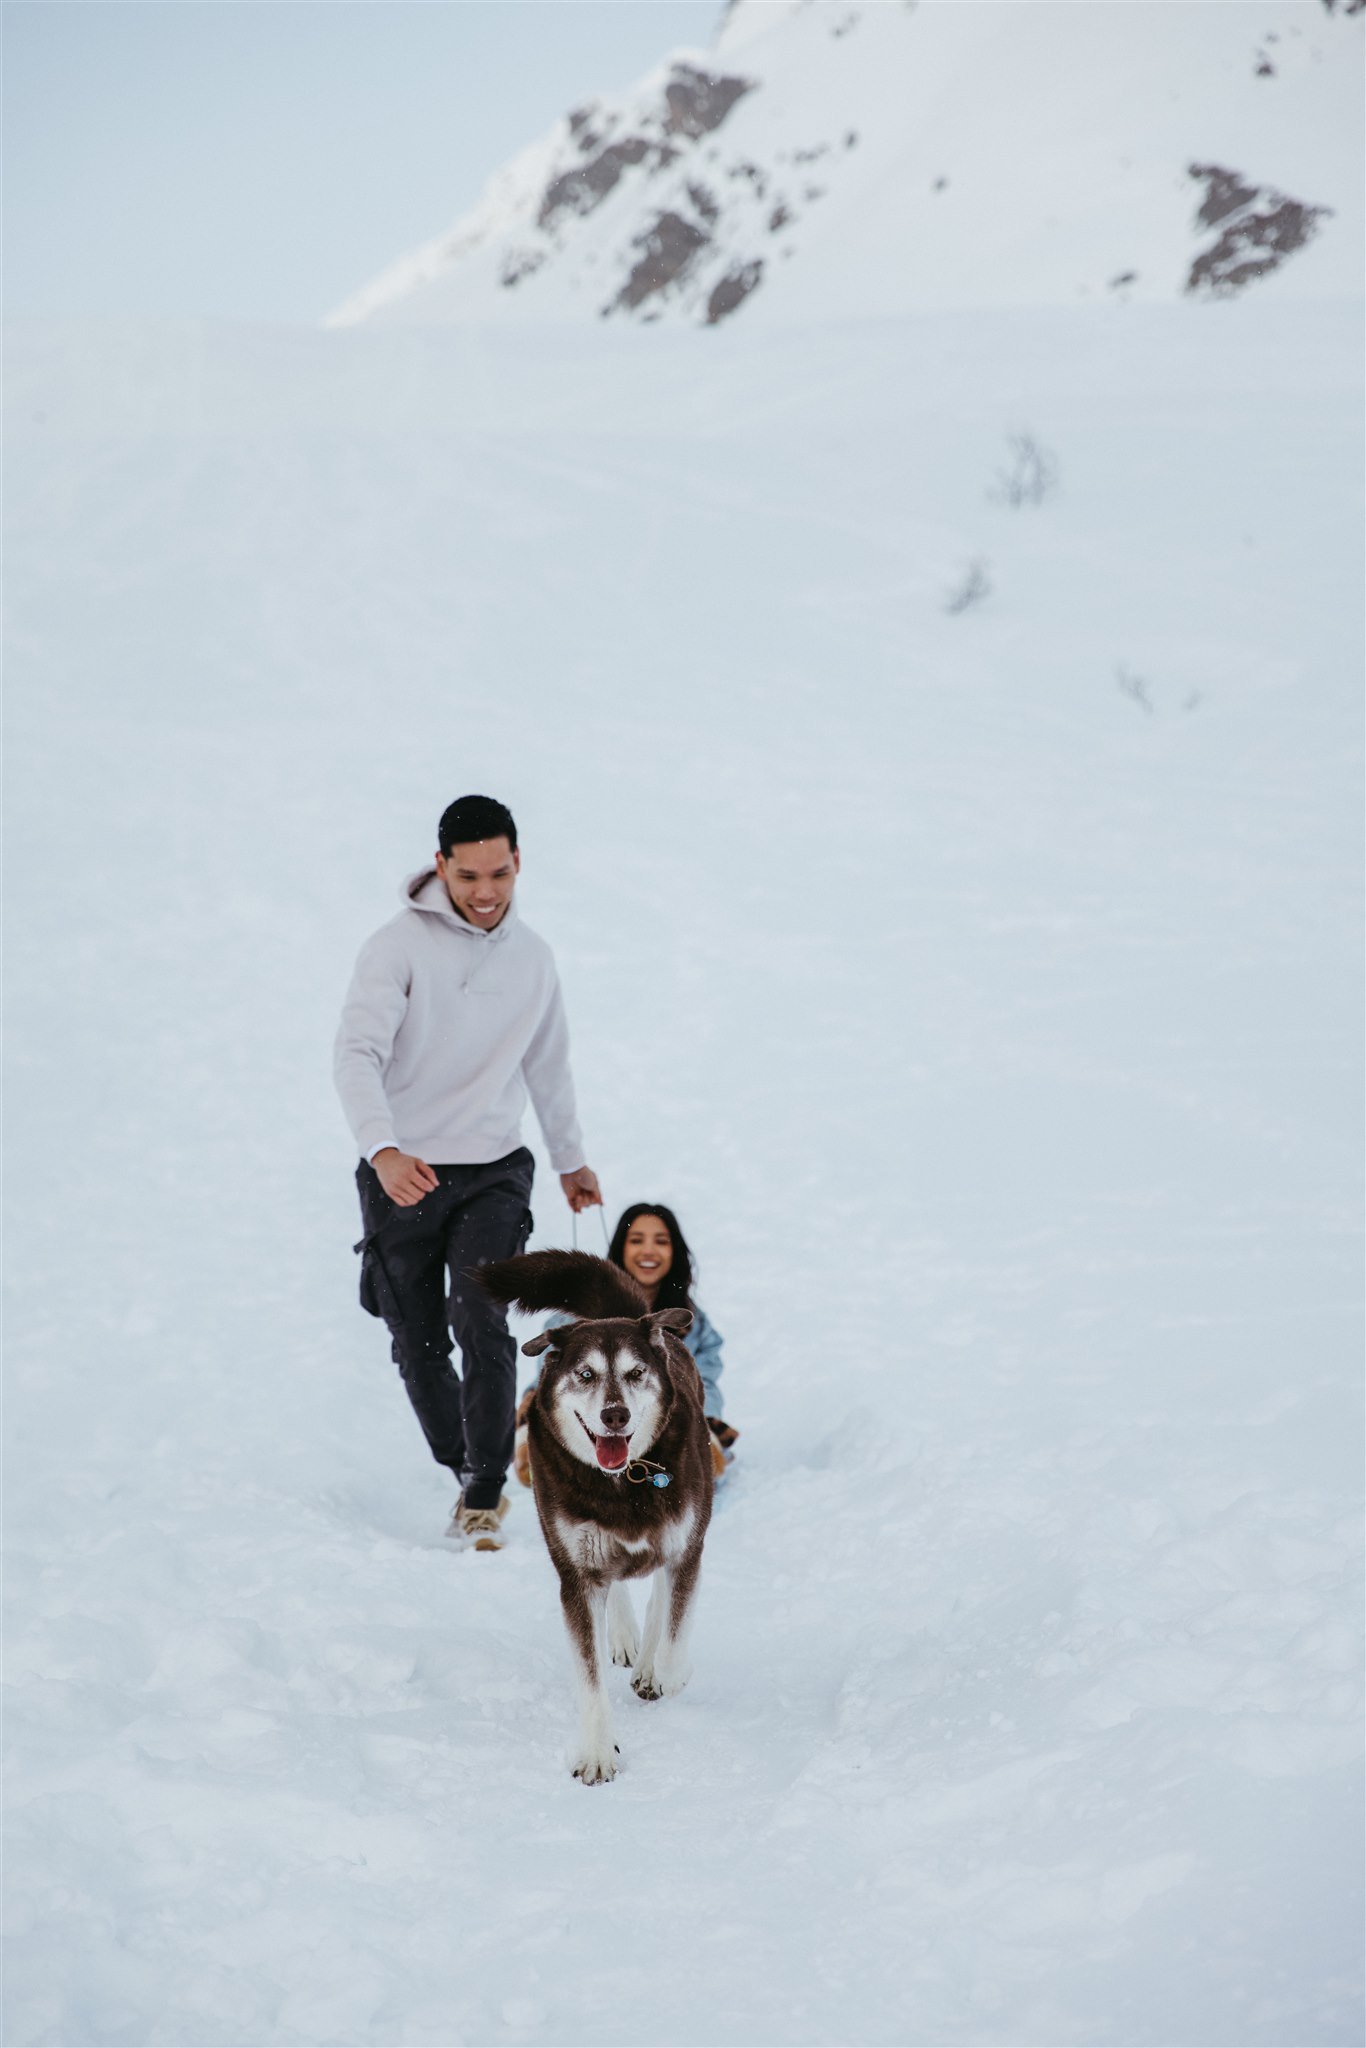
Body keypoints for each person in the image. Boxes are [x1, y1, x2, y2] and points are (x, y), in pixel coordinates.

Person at [334, 793, 601, 1550]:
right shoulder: (395, 948)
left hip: (493, 1170)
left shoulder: (533, 957)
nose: (486, 892)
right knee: (416, 1340)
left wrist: (570, 1159)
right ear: (440, 865)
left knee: (479, 1314)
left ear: (518, 863)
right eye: (470, 875)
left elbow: (548, 1064)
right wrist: (383, 1149)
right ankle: (463, 1463)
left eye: (501, 873)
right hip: (403, 1171)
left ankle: (485, 1488)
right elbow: (357, 1055)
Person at [514, 1202, 738, 1485]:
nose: (648, 1251)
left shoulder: (692, 1323)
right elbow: (548, 1382)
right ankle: (530, 1443)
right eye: (636, 1240)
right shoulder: (577, 1315)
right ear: (621, 1248)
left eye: (661, 1241)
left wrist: (703, 1425)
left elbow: (704, 1384)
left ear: (675, 1252)